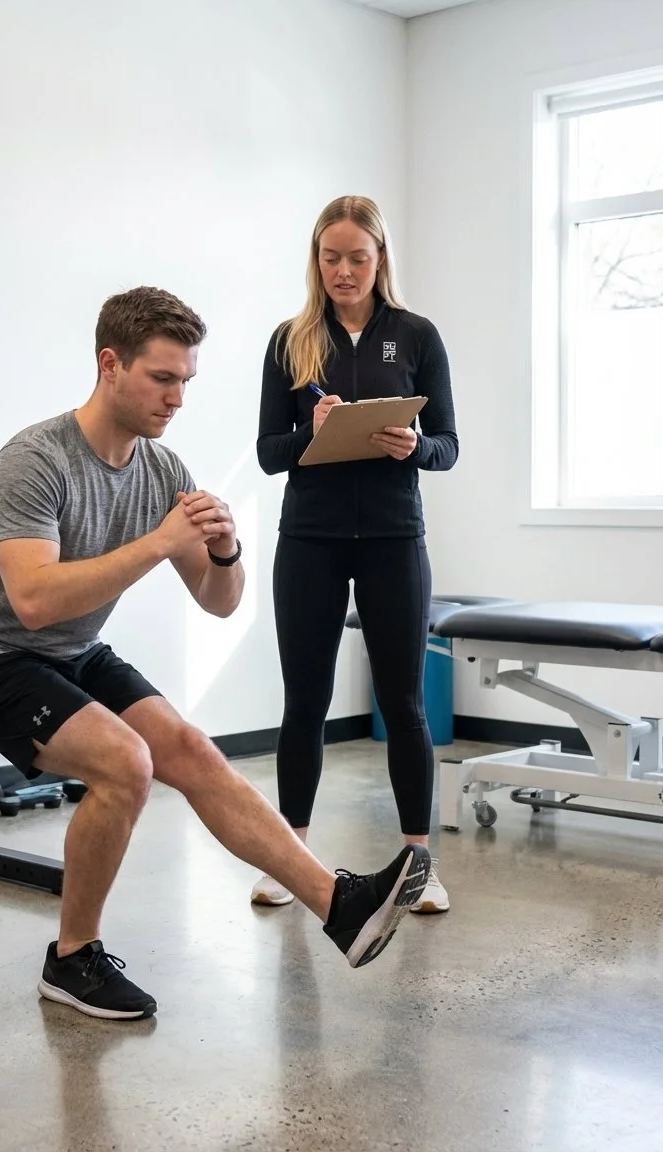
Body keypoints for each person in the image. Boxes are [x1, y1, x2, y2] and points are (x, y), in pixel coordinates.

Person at [0, 285, 431, 1022]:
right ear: (110, 365)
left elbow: (218, 601)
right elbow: (32, 599)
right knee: (126, 762)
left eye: (186, 381)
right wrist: (159, 541)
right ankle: (72, 960)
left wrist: (224, 550)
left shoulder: (163, 470)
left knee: (190, 749)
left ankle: (339, 905)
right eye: (163, 379)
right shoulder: (33, 460)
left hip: (70, 649)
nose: (178, 399)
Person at [252, 196, 458, 915]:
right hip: (309, 539)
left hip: (395, 540)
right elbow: (268, 454)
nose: (343, 270)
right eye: (331, 257)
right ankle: (288, 861)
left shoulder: (417, 335)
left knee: (403, 703)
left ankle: (419, 865)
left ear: (380, 260)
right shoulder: (290, 341)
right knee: (304, 703)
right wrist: (311, 430)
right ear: (317, 260)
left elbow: (448, 446)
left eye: (357, 258)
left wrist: (415, 445)